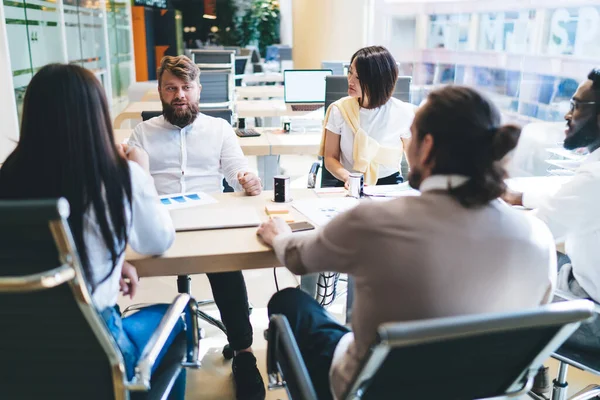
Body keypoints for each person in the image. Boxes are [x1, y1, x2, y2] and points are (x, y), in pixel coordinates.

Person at [258, 86, 557, 400]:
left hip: (372, 390)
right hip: (480, 391)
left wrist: (280, 235)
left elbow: (298, 259)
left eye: (410, 135)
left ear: (426, 147)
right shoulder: (537, 237)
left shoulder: (374, 221)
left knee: (289, 302)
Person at [0, 64, 189, 398]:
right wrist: (140, 173)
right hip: (97, 359)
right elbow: (159, 240)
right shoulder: (120, 176)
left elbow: (33, 258)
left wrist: (111, 259)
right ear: (96, 117)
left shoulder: (8, 178)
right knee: (175, 320)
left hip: (17, 358)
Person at [127, 55, 265, 400]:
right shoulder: (142, 133)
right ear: (160, 91)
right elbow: (136, 187)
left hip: (208, 221)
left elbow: (237, 171)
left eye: (186, 87)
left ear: (198, 90)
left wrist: (247, 180)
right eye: (171, 88)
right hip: (161, 227)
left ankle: (243, 352)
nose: (180, 95)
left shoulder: (218, 129)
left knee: (228, 269)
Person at [503, 69, 600, 394]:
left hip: (594, 319)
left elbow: (534, 229)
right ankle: (534, 367)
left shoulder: (594, 177)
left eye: (577, 105)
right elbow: (571, 203)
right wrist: (521, 196)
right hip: (589, 288)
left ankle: (520, 379)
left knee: (505, 268)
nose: (567, 113)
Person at [319, 46, 415, 188]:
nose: (350, 80)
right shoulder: (339, 110)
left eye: (358, 77)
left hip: (389, 187)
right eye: (350, 72)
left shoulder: (403, 112)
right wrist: (348, 178)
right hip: (349, 183)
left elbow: (415, 160)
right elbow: (330, 158)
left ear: (377, 81)